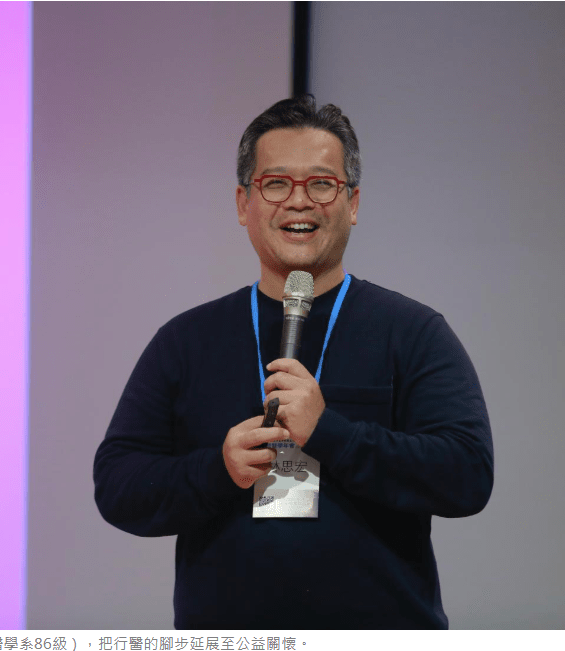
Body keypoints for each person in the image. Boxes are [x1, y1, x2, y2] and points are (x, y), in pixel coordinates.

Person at [94, 96, 493, 629]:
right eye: (276, 184)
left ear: (352, 202)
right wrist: (218, 469)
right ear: (244, 203)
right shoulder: (185, 340)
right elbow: (118, 486)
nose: (299, 202)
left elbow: (467, 474)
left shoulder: (413, 331)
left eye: (322, 184)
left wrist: (331, 434)